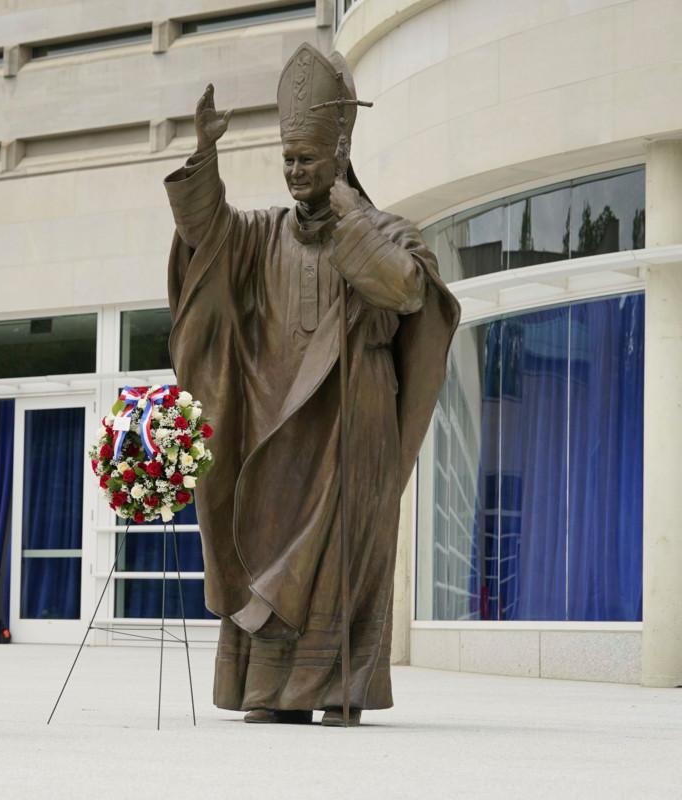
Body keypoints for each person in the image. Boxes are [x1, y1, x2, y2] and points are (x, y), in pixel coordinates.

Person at [164, 45, 459, 726]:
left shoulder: (388, 231)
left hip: (353, 428)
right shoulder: (262, 235)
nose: (296, 171)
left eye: (308, 158)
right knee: (263, 544)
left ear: (341, 148)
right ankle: (266, 692)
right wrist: (205, 158)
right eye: (287, 158)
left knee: (344, 558)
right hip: (272, 423)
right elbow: (205, 237)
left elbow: (408, 289)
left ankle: (337, 689)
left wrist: (353, 216)